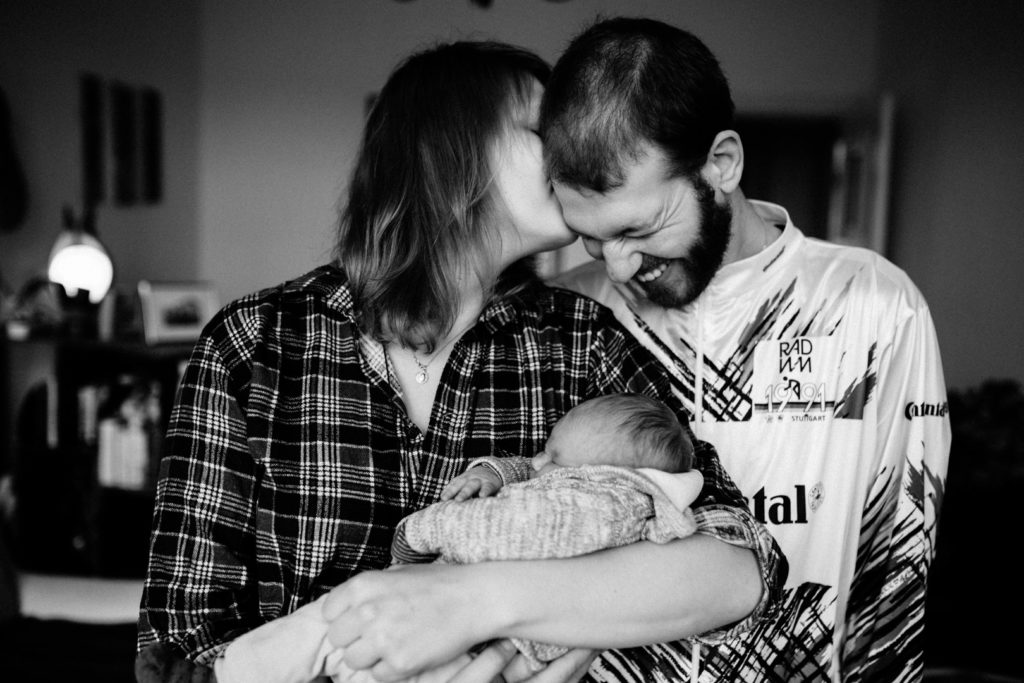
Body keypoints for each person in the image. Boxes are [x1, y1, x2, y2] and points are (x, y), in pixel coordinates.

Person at [135, 40, 786, 683]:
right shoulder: (253, 345)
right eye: (543, 131)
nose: (575, 151)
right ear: (453, 150)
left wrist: (474, 601)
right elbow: (179, 652)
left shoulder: (581, 339)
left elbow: (739, 562)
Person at [542, 16, 951, 682]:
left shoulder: (875, 305)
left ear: (721, 163)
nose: (615, 268)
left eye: (639, 229)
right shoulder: (568, 314)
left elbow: (897, 572)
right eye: (591, 240)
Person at [214, 393, 705, 683]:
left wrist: (422, 530)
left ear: (598, 476)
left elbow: (503, 532)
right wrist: (492, 472)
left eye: (554, 455)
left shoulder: (593, 507)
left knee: (330, 621)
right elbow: (527, 469)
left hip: (468, 648)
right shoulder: (586, 484)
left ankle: (231, 673)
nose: (538, 463)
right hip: (474, 644)